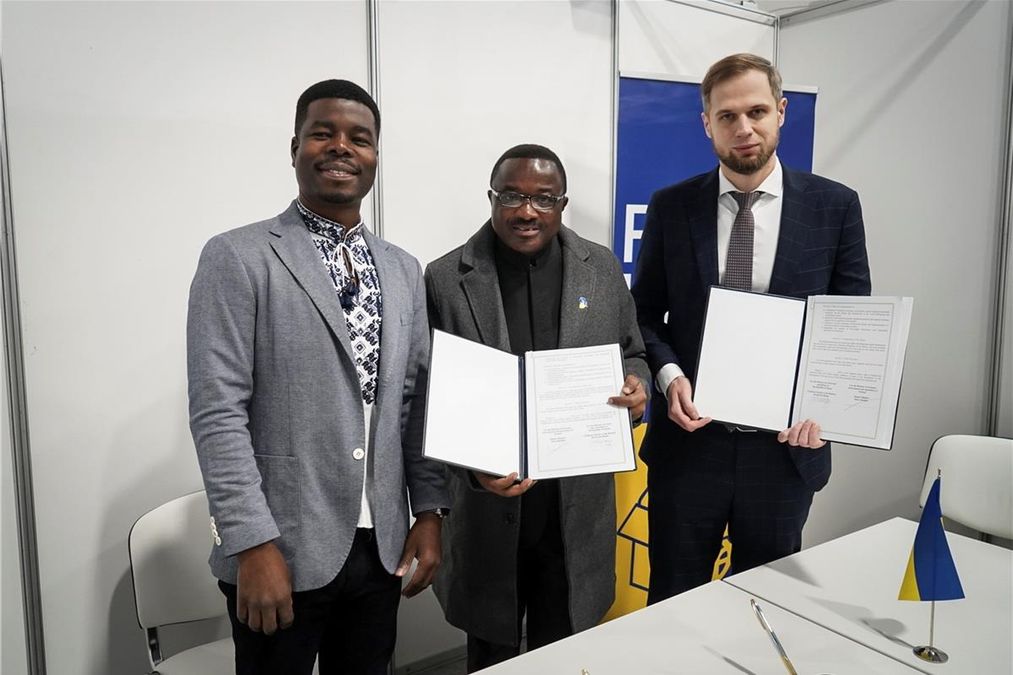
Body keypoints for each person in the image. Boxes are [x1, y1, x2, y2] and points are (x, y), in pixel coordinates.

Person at [186, 79, 448, 675]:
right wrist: (251, 541)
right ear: (295, 147)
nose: (341, 147)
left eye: (361, 138)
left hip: (380, 547)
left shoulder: (402, 269)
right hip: (280, 549)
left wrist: (430, 512)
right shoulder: (238, 256)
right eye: (323, 133)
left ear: (375, 155)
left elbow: (413, 404)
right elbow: (217, 412)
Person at [631, 54, 871, 604]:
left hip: (783, 454)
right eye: (727, 116)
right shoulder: (672, 207)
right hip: (690, 446)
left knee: (767, 608)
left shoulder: (834, 206)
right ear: (707, 124)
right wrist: (669, 376)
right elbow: (642, 313)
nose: (744, 128)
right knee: (672, 605)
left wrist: (825, 407)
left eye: (757, 111)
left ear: (781, 112)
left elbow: (850, 328)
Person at [425, 144, 651, 672]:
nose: (527, 211)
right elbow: (428, 394)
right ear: (491, 199)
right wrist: (471, 471)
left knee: (564, 652)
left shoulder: (601, 268)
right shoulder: (445, 278)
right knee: (491, 655)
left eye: (544, 199)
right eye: (512, 196)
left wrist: (638, 388)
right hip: (487, 511)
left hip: (574, 514)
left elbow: (633, 351)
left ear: (562, 204)